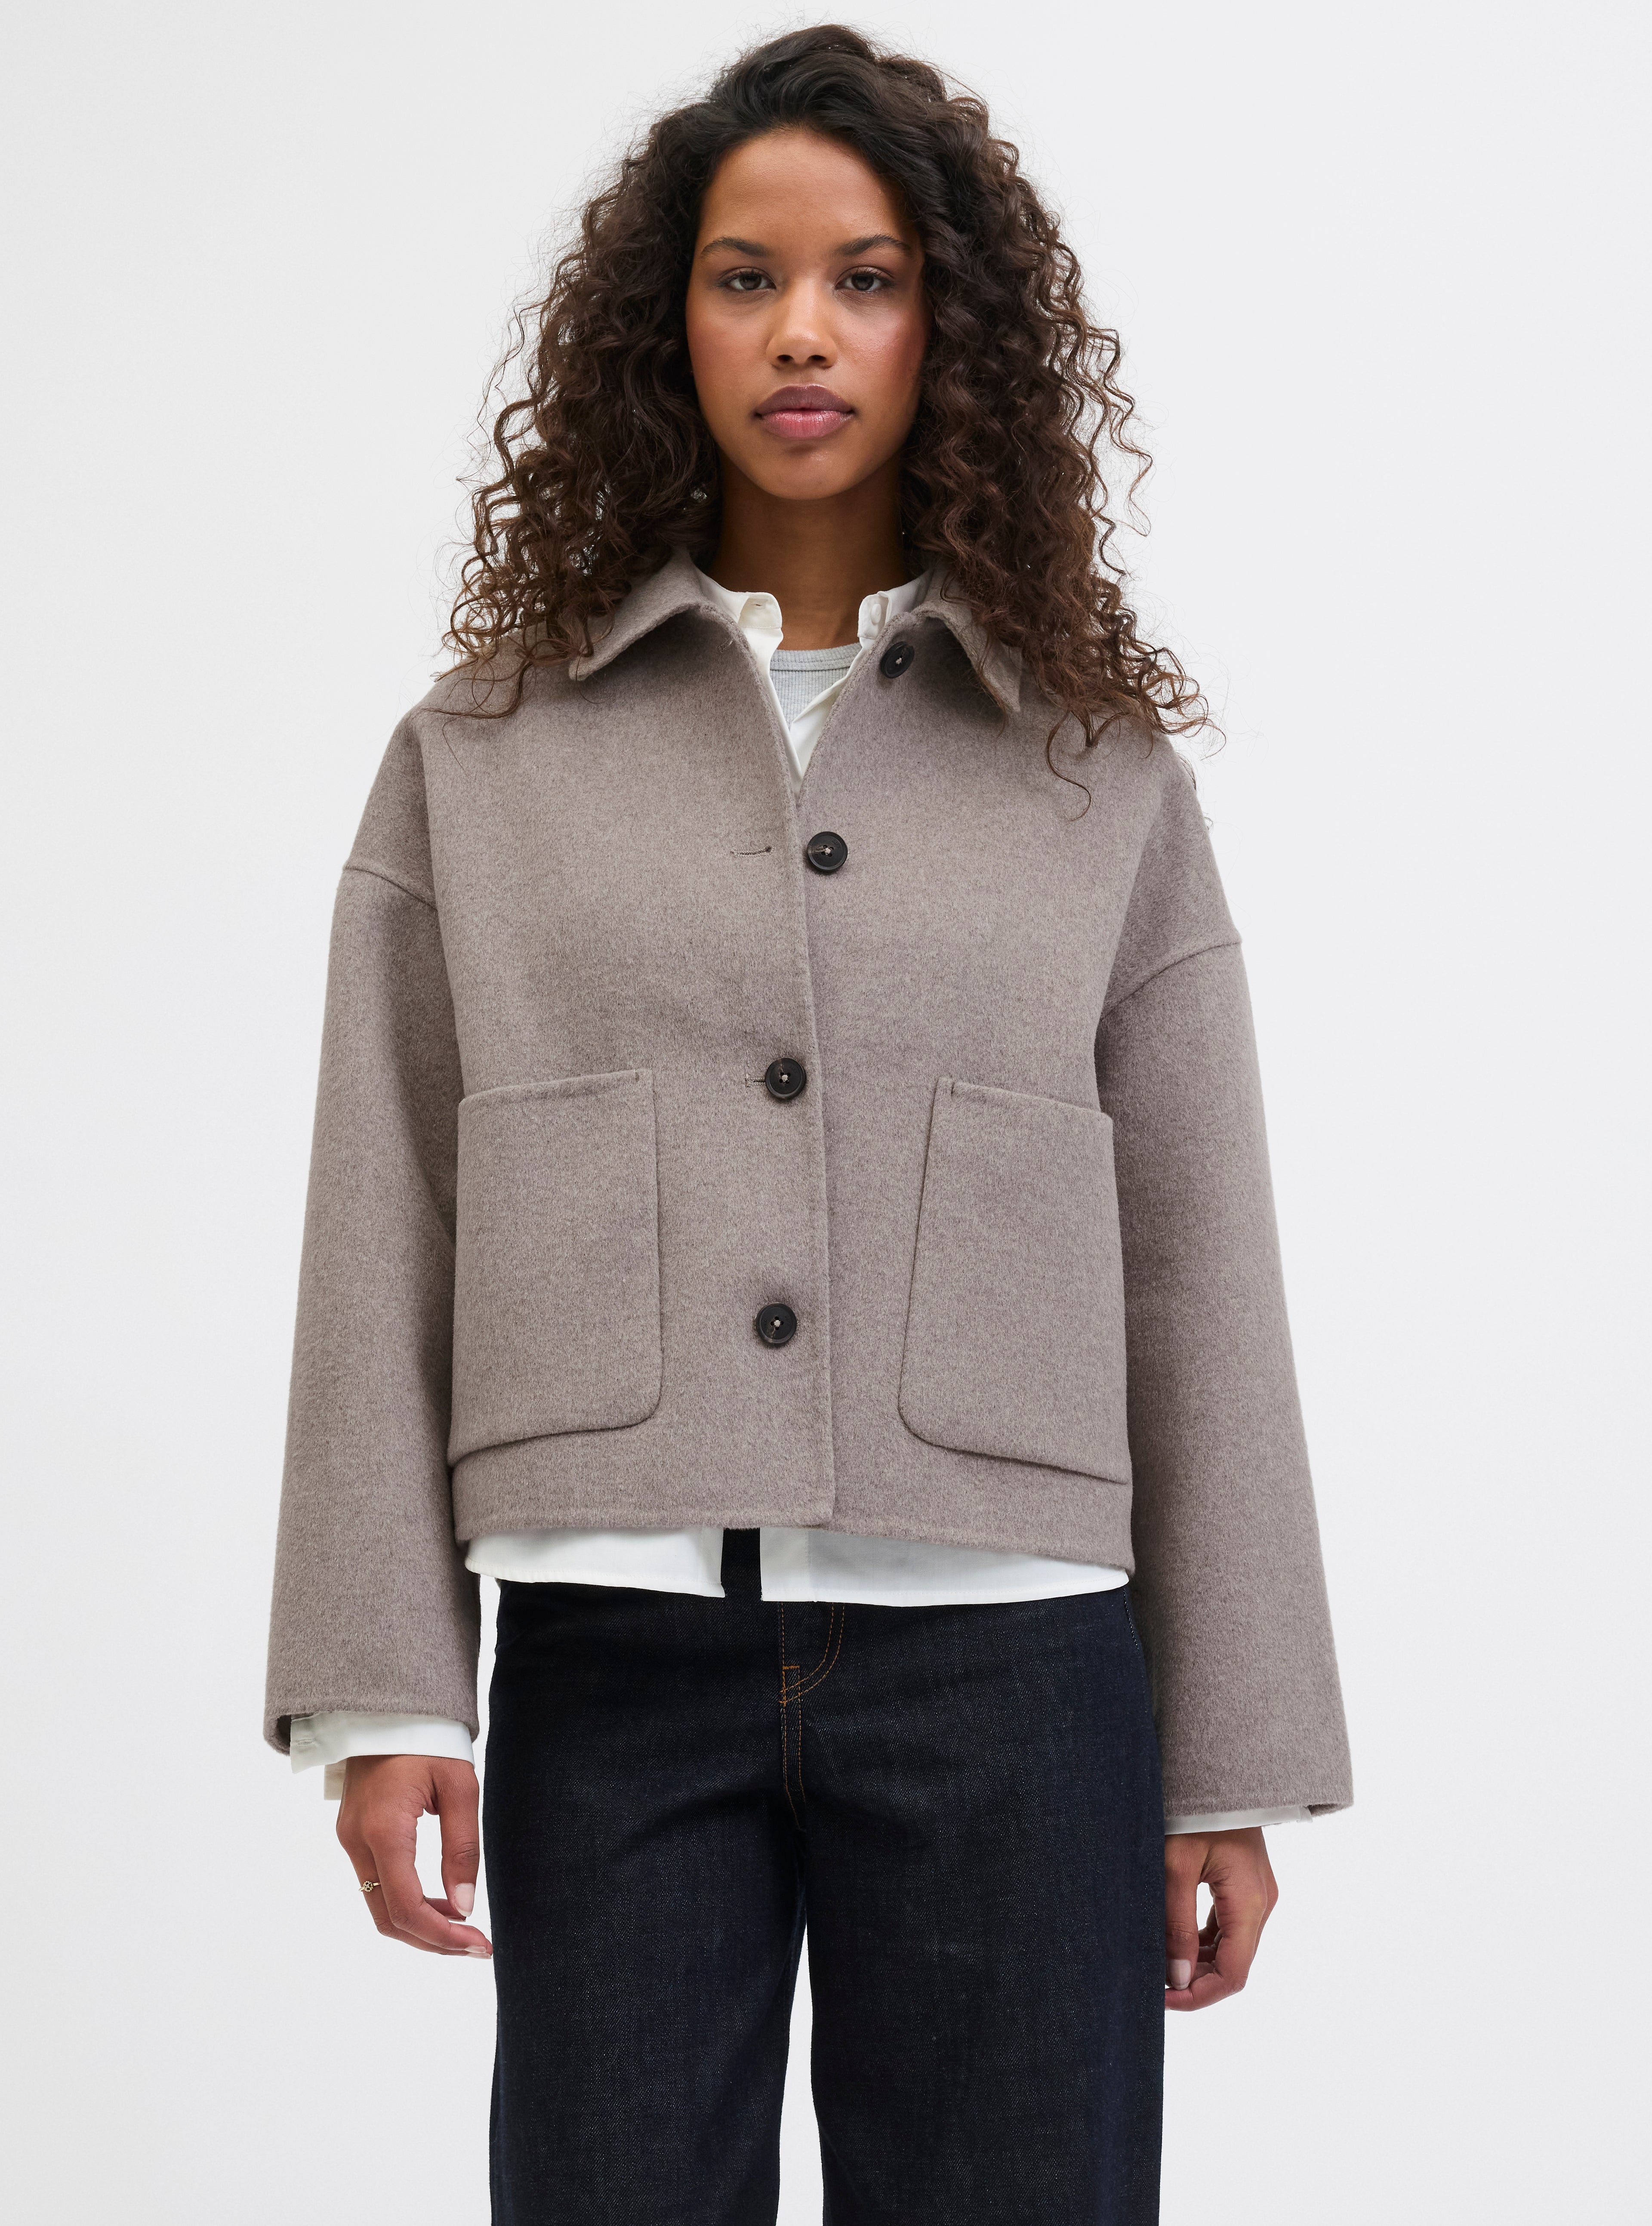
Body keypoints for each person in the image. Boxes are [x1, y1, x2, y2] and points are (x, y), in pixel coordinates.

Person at [264, 25, 1351, 2223]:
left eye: (865, 279)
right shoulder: (485, 752)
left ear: (950, 326)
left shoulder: (1093, 768)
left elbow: (1196, 1254)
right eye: (746, 277)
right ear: (663, 323)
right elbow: (384, 1207)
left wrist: (1229, 1748)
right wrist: (385, 1694)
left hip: (1016, 1672)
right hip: (612, 1655)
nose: (801, 333)